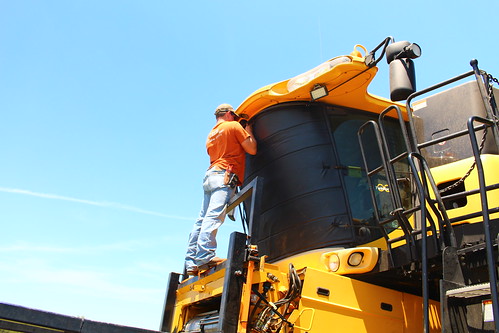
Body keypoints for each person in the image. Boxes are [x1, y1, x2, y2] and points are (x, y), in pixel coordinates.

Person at [184, 103, 257, 276]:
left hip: (210, 175)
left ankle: (191, 263)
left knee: (201, 220)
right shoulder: (233, 126)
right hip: (224, 175)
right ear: (230, 114)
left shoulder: (211, 134)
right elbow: (252, 149)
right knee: (214, 216)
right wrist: (249, 130)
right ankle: (205, 256)